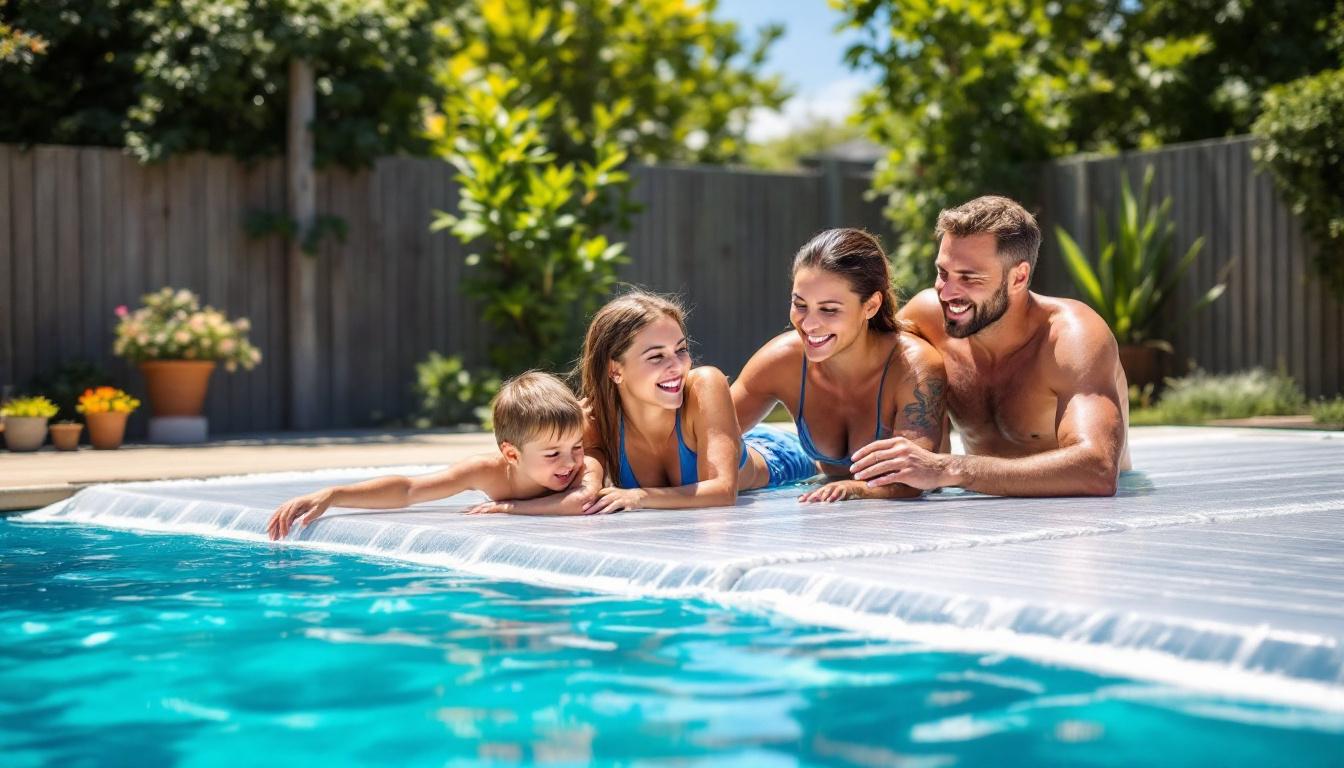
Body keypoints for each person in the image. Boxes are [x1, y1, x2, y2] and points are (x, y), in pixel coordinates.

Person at [849, 195, 1130, 497]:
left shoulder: (1070, 338)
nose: (947, 292)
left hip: (1083, 511)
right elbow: (854, 359)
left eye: (969, 278)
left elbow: (1097, 469)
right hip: (979, 498)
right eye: (943, 273)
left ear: (1018, 277)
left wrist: (947, 469)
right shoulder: (926, 318)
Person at [731, 228, 947, 503]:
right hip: (780, 452)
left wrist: (857, 489)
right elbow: (702, 431)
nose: (808, 325)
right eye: (800, 305)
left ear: (871, 305)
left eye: (829, 310)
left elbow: (916, 476)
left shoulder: (914, 368)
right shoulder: (784, 359)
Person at [266, 371, 603, 538]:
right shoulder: (487, 471)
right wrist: (334, 494)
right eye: (552, 453)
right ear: (511, 454)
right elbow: (410, 490)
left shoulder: (585, 463)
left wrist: (512, 507)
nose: (569, 461)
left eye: (575, 445)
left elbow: (580, 503)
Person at [577, 291, 818, 515]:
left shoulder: (704, 385)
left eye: (681, 350)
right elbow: (575, 493)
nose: (677, 366)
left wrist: (640, 497)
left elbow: (723, 492)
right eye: (656, 356)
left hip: (777, 457)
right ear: (615, 370)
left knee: (830, 464)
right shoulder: (595, 420)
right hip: (720, 435)